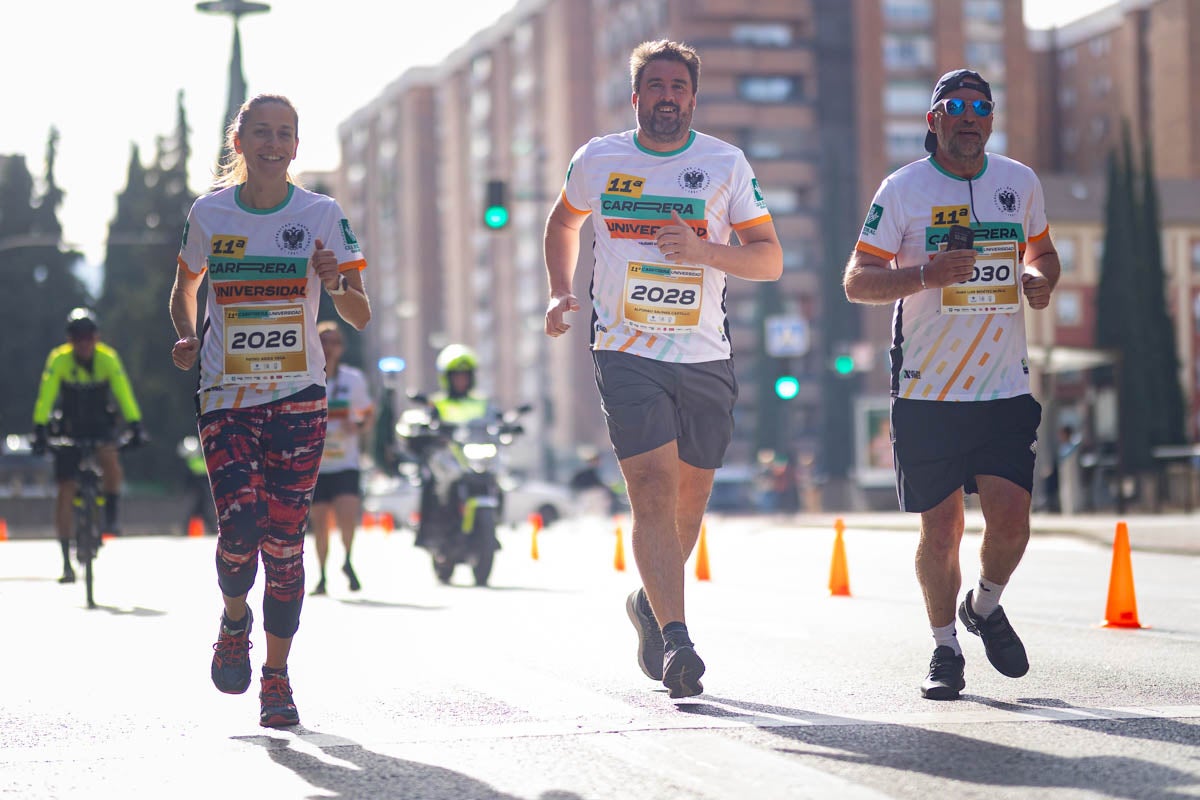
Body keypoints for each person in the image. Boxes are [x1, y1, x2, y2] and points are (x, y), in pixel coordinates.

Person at [543, 39, 782, 698]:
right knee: (650, 486)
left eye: (679, 86)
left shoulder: (723, 163)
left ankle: (651, 605)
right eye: (656, 85)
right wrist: (561, 289)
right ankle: (679, 639)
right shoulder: (600, 158)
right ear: (637, 96)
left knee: (689, 501)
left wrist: (706, 249)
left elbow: (768, 259)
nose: (668, 96)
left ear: (692, 98)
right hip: (624, 348)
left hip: (704, 353)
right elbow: (563, 224)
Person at [843, 69, 1060, 700]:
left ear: (991, 119)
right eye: (954, 106)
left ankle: (984, 607)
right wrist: (925, 273)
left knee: (1013, 525)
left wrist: (1042, 278)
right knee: (941, 531)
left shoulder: (1019, 183)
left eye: (980, 107)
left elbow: (1042, 253)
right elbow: (858, 280)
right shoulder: (903, 190)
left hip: (1003, 390)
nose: (968, 116)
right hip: (927, 392)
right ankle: (944, 649)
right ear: (934, 120)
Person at [169, 94, 371, 728]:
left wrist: (336, 281)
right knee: (239, 530)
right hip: (226, 395)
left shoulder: (321, 215)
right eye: (261, 132)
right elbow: (186, 286)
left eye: (284, 133)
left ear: (296, 146)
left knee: (285, 542)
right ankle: (235, 621)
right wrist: (185, 333)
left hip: (298, 396)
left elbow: (360, 313)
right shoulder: (210, 212)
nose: (273, 143)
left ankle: (277, 679)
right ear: (240, 142)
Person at [32, 308, 145, 583]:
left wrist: (135, 425)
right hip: (69, 428)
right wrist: (40, 429)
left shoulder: (108, 358)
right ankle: (66, 563)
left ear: (96, 338)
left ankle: (111, 517)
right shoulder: (58, 360)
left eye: (88, 337)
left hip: (100, 426)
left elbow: (123, 391)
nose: (84, 343)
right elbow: (46, 395)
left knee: (111, 463)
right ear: (70, 340)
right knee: (66, 490)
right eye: (78, 338)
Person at [309, 321, 374, 595]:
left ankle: (347, 559)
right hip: (314, 464)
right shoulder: (306, 376)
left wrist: (357, 427)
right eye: (323, 340)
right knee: (320, 523)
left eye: (335, 342)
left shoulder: (353, 379)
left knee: (347, 516)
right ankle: (322, 576)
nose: (329, 347)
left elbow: (368, 412)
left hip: (345, 462)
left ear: (342, 348)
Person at [412, 344, 490, 548]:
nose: (461, 380)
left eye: (465, 376)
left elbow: (495, 420)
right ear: (447, 378)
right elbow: (425, 422)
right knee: (434, 486)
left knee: (494, 479)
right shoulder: (436, 403)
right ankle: (431, 533)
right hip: (449, 460)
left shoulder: (482, 402)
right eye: (456, 376)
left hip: (475, 457)